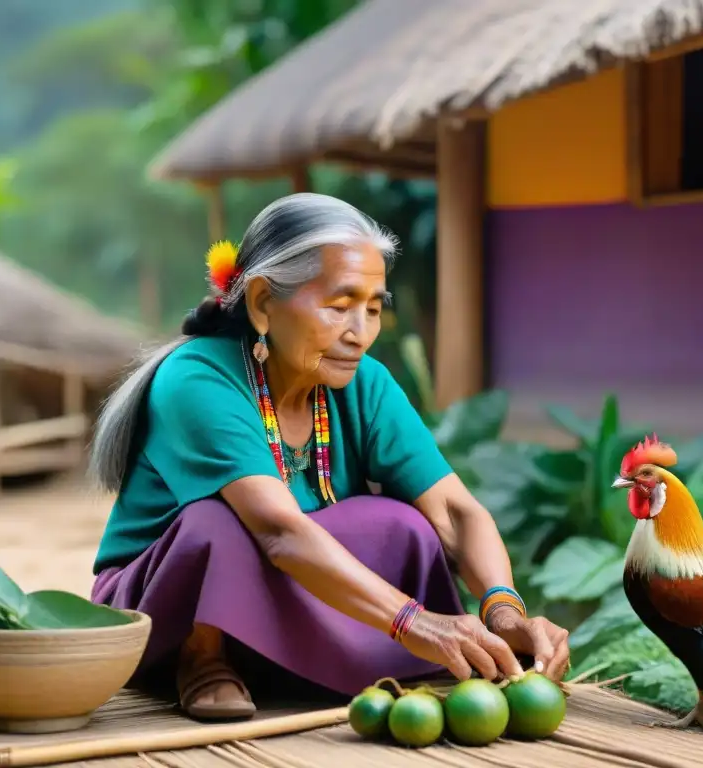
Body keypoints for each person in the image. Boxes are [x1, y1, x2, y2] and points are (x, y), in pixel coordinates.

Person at [88, 193, 570, 721]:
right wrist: (413, 622)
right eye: (339, 307)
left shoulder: (365, 385)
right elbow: (279, 532)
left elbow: (454, 511)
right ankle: (204, 660)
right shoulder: (198, 379)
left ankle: (302, 661)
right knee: (215, 525)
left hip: (293, 589)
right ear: (262, 302)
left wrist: (502, 608)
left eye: (372, 308)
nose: (359, 333)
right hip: (167, 608)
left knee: (402, 523)